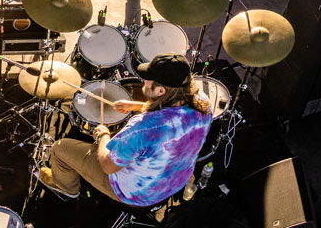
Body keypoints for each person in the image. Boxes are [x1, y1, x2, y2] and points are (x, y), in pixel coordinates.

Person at [39, 54, 211, 207]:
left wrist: (104, 135)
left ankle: (66, 189)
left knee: (60, 148)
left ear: (160, 90)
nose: (144, 81)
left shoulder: (142, 128)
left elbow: (108, 166)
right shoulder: (203, 104)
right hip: (176, 180)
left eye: (147, 80)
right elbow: (172, 118)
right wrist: (137, 106)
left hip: (136, 194)